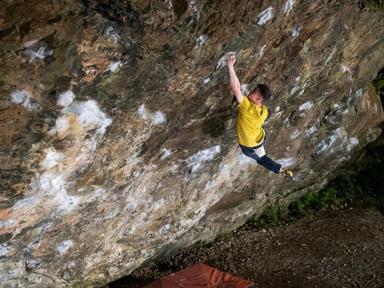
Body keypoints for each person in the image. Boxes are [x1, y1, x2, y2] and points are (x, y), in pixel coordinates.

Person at [227, 53, 293, 177]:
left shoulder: (247, 107)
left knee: (262, 158)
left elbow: (236, 89)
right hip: (261, 137)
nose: (250, 92)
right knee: (261, 153)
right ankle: (280, 170)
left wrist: (230, 65)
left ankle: (281, 170)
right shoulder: (264, 110)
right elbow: (238, 89)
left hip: (251, 147)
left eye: (253, 92)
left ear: (258, 100)